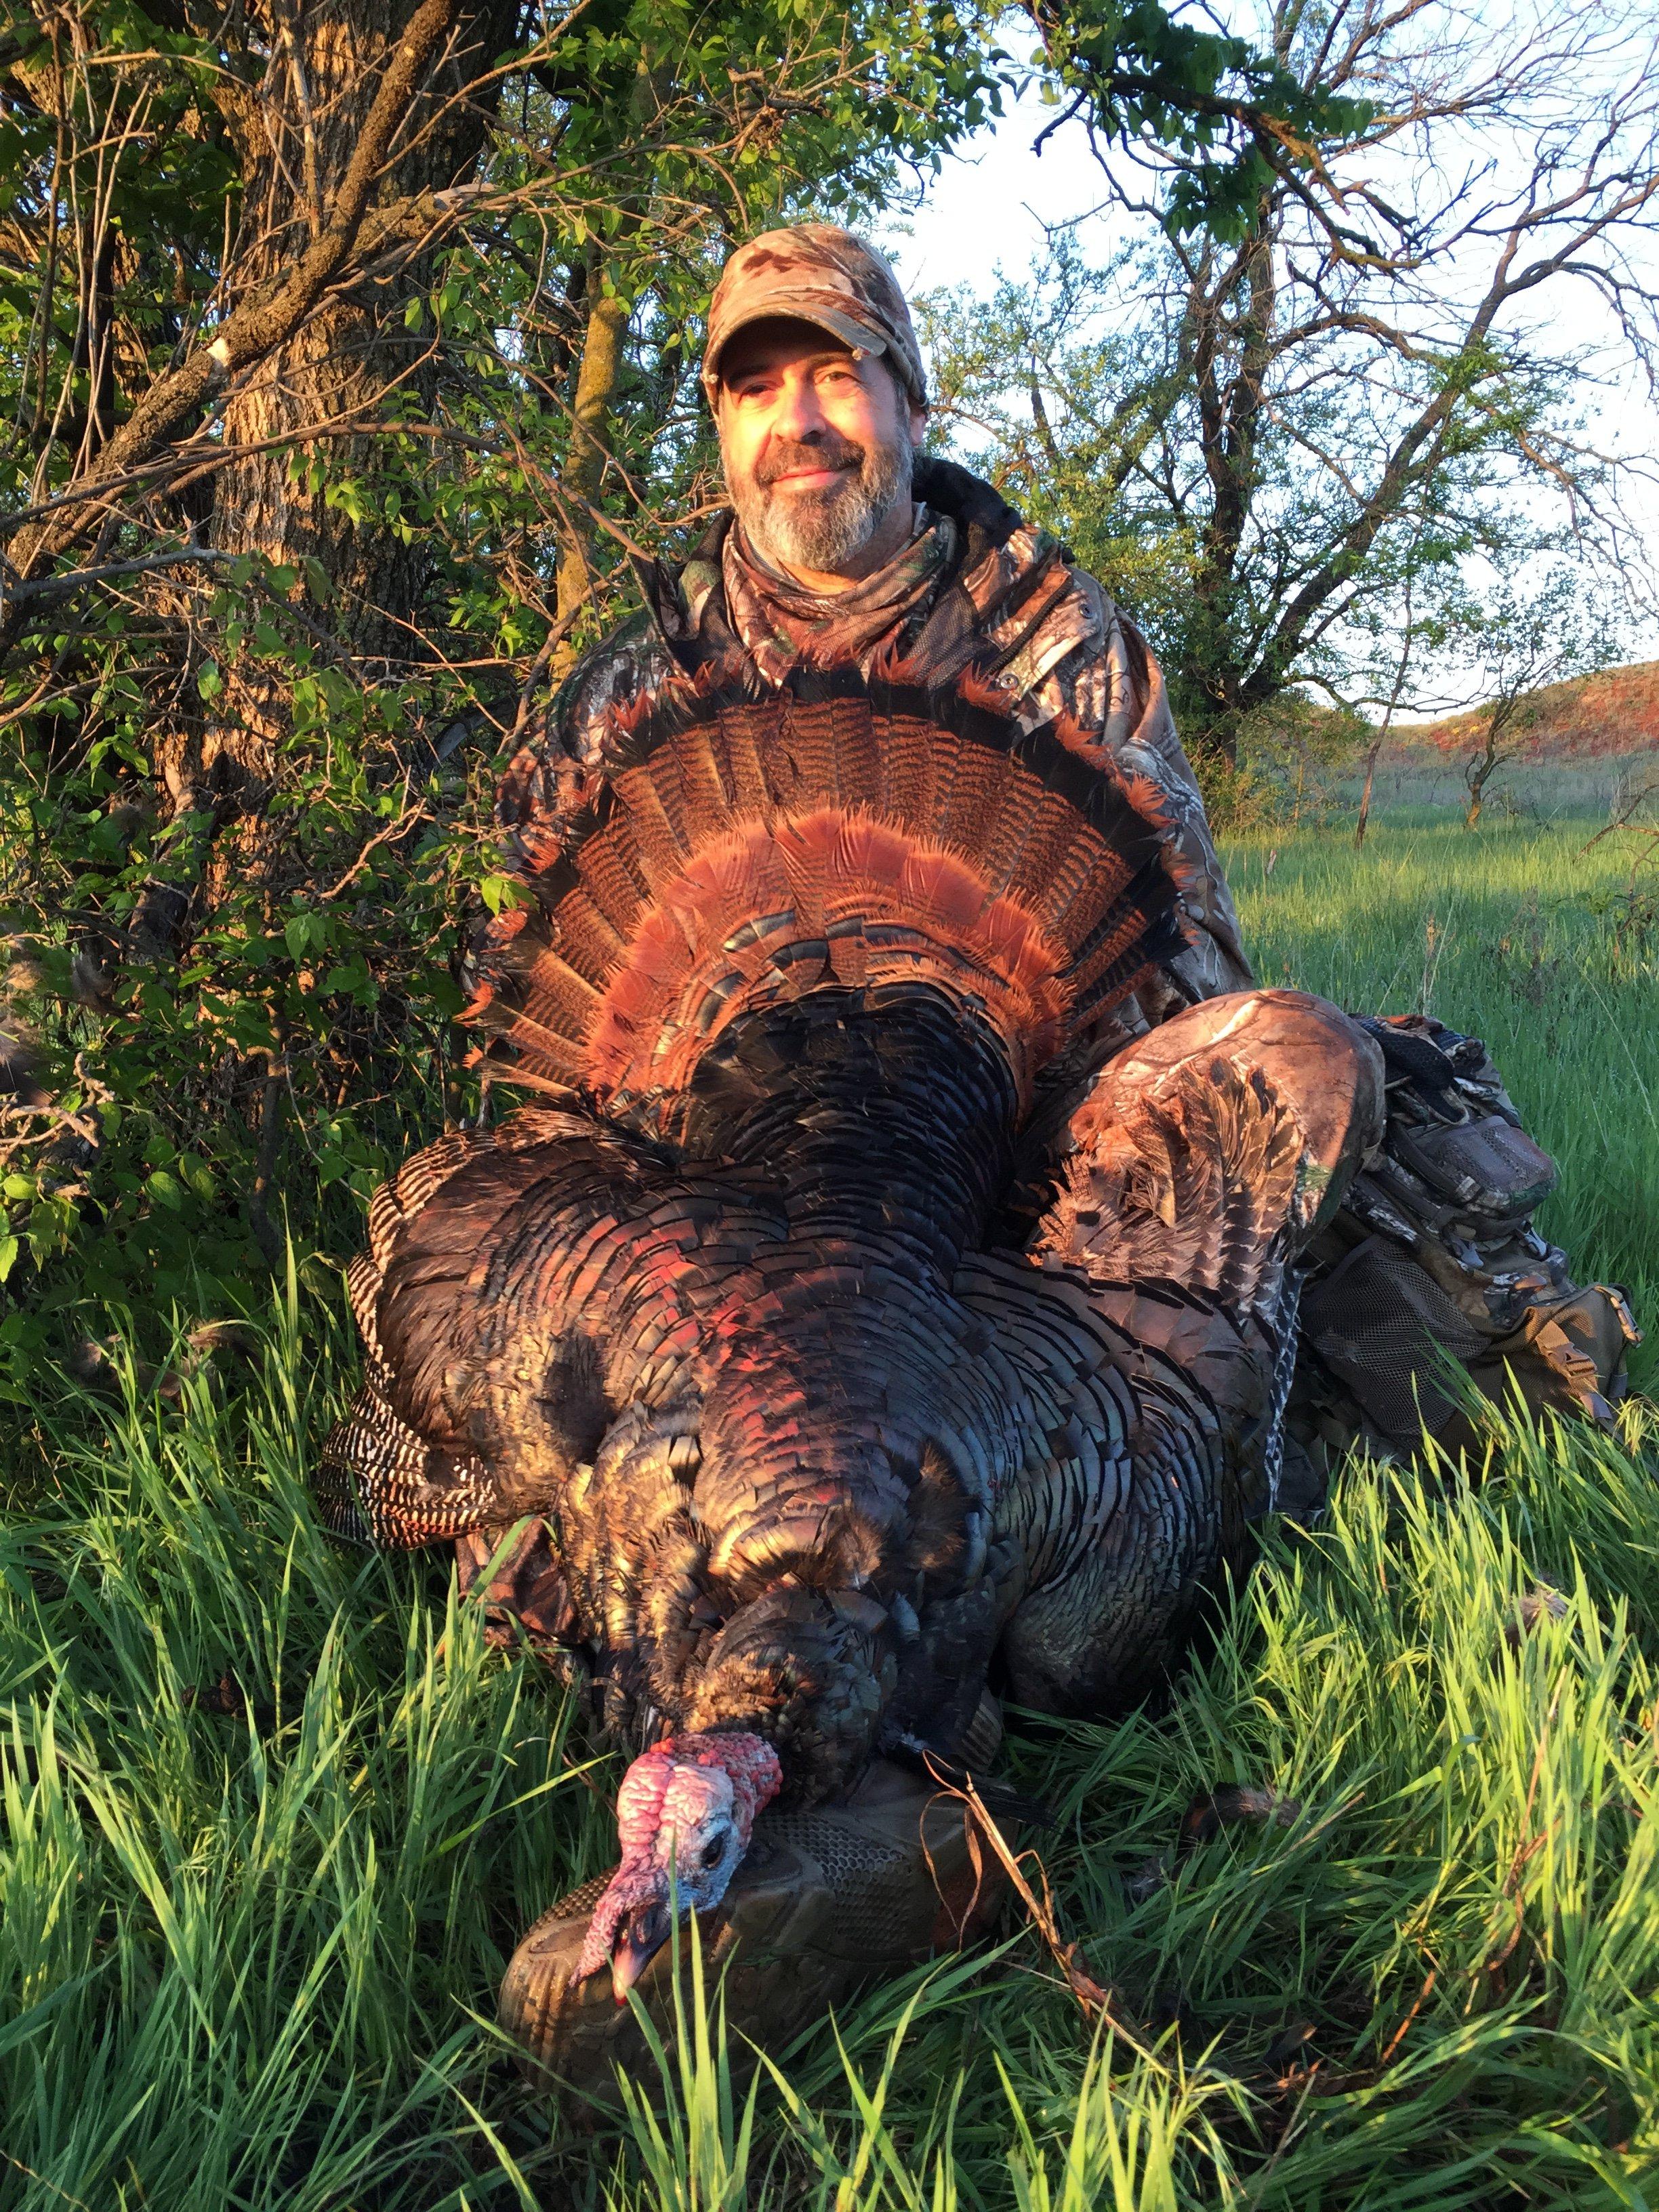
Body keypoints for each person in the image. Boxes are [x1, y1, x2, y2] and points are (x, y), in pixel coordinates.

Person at [526, 222, 1635, 1492]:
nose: (802, 422)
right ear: (718, 423)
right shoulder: (635, 688)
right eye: (759, 387)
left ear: (908, 396)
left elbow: (1192, 973)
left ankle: (1176, 1419)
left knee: (1311, 1071)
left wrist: (985, 1112)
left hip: (1032, 1156)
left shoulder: (1055, 639)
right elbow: (549, 1049)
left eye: (838, 374)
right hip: (724, 1184)